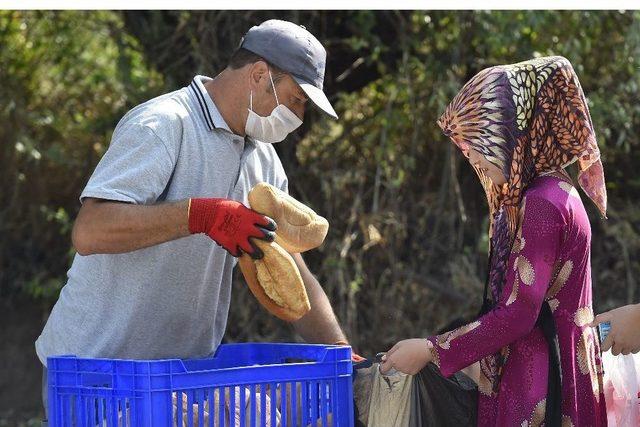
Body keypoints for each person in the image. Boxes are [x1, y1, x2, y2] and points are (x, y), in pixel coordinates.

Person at [35, 19, 351, 422]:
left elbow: (290, 268)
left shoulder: (263, 159)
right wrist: (200, 215)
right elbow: (90, 230)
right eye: (296, 99)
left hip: (178, 380)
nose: (299, 116)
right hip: (96, 376)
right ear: (259, 75)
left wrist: (342, 357)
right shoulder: (165, 124)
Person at [381, 56, 608, 426]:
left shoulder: (542, 203)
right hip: (562, 372)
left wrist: (431, 350)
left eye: (478, 141)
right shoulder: (557, 191)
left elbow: (519, 313)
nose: (469, 155)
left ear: (511, 134)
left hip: (542, 389)